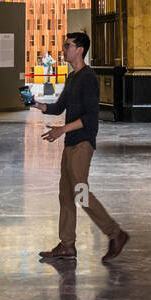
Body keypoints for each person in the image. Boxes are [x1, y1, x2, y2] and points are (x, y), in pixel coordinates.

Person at [35, 31, 129, 262]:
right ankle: (67, 245)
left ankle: (115, 233)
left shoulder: (88, 78)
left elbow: (90, 117)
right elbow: (58, 108)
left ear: (79, 50)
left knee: (80, 191)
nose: (63, 50)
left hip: (83, 142)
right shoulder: (72, 78)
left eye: (67, 46)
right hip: (70, 143)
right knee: (66, 194)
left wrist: (61, 130)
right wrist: (36, 104)